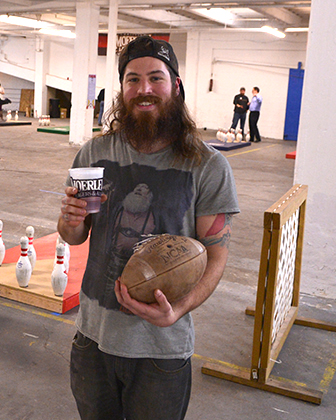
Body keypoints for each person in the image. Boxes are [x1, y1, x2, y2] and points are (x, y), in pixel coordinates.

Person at [57, 36, 239, 420]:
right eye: (132, 79)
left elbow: (216, 252)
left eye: (156, 78)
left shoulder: (207, 166)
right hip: (93, 340)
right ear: (121, 90)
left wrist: (179, 310)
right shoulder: (94, 154)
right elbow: (76, 234)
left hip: (161, 350)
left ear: (175, 85)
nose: (144, 89)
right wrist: (68, 220)